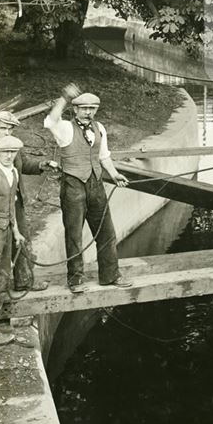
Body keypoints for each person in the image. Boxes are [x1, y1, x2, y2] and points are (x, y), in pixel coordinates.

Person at [43, 84, 132, 293]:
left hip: (96, 184)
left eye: (92, 108)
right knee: (74, 234)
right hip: (72, 185)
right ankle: (75, 280)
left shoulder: (99, 128)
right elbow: (49, 121)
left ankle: (110, 275)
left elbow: (104, 156)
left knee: (106, 231)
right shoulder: (64, 128)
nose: (88, 112)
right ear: (75, 110)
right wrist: (64, 97)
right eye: (84, 108)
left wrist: (114, 174)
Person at [0, 110, 50, 293]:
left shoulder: (12, 146)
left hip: (14, 202)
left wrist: (42, 165)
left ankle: (24, 280)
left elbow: (24, 164)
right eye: (3, 128)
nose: (7, 132)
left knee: (21, 237)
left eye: (10, 129)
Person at [0, 134, 26, 345]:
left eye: (12, 152)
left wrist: (16, 231)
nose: (8, 156)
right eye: (5, 152)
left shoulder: (13, 172)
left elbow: (11, 207)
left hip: (6, 229)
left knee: (2, 276)